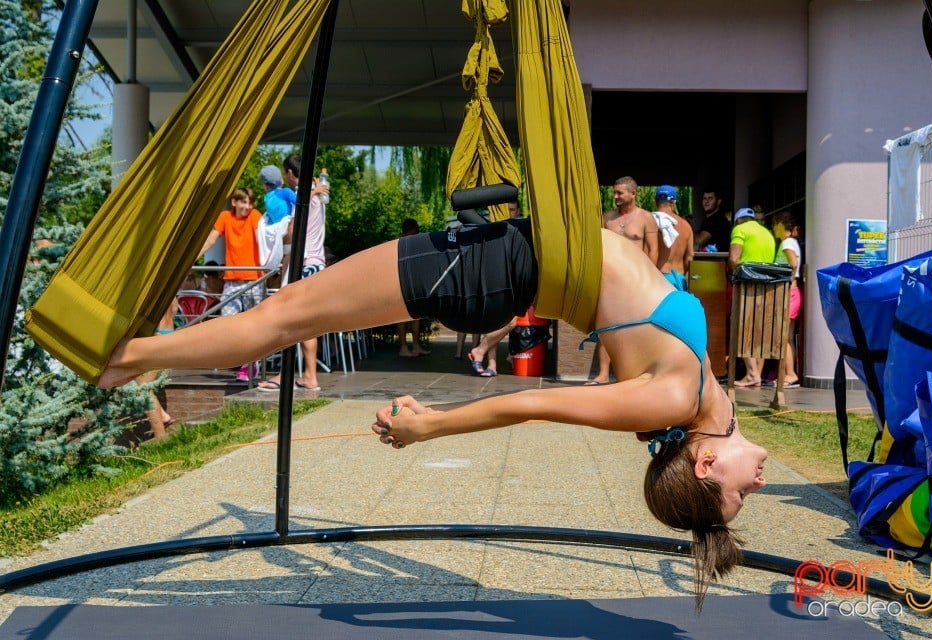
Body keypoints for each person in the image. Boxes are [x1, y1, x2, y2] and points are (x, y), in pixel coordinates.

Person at [99, 215, 769, 610]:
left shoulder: (672, 398)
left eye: (740, 493)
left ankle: (127, 359)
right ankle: (133, 355)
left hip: (494, 271)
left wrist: (430, 426)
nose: (760, 483)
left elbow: (533, 403)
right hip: (509, 255)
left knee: (286, 314)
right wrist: (629, 234)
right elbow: (629, 285)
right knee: (289, 310)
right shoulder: (700, 391)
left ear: (707, 461)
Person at [258, 154, 329, 392]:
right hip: (317, 262)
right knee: (306, 321)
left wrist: (281, 252)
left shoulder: (303, 194)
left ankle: (284, 374)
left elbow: (291, 230)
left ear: (289, 173)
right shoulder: (317, 192)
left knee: (287, 317)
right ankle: (309, 376)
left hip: (303, 262)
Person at [589, 177, 659, 384]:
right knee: (606, 326)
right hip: (610, 279)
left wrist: (649, 278)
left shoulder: (646, 218)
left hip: (636, 280)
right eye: (615, 192)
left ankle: (633, 373)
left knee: (637, 327)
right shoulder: (607, 217)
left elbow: (653, 250)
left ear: (633, 194)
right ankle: (603, 374)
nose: (616, 196)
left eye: (620, 193)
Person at [196, 187, 264, 382]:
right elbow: (211, 238)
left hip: (254, 279)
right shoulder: (225, 217)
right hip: (232, 280)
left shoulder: (254, 216)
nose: (247, 207)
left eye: (250, 203)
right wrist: (193, 257)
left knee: (256, 324)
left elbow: (265, 235)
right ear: (234, 202)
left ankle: (252, 365)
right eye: (243, 202)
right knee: (228, 323)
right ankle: (240, 359)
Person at [468, 202, 522, 377]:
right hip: (491, 282)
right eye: (506, 210)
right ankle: (492, 364)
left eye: (512, 210)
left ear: (518, 211)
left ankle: (480, 350)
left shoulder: (520, 229)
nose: (509, 214)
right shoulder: (491, 229)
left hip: (514, 285)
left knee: (512, 322)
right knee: (495, 321)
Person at [727, 207, 776, 388]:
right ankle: (757, 374)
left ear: (739, 220)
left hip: (747, 288)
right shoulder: (767, 233)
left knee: (740, 326)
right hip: (768, 290)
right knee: (760, 331)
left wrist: (733, 273)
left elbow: (733, 258)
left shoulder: (740, 230)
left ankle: (751, 374)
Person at [139, 297, 180, 439]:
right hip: (167, 335)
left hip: (156, 340)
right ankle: (163, 416)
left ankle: (160, 436)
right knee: (140, 386)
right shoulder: (171, 294)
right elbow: (174, 310)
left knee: (143, 390)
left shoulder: (151, 294)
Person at [771, 210, 803, 388]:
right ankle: (787, 373)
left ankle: (790, 374)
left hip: (789, 292)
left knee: (784, 337)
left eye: (775, 224)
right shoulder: (791, 242)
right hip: (792, 292)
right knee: (786, 337)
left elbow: (793, 264)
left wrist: (786, 281)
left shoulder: (787, 243)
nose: (773, 228)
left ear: (782, 226)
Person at [396, 218, 431, 358]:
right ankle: (404, 347)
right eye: (416, 228)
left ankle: (415, 345)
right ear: (411, 229)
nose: (418, 231)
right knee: (401, 316)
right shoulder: (400, 244)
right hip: (402, 283)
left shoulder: (411, 242)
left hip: (413, 283)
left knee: (416, 315)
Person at [652, 185, 695, 291]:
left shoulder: (650, 221)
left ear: (655, 202)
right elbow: (690, 256)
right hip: (679, 278)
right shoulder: (686, 226)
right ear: (674, 202)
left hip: (659, 277)